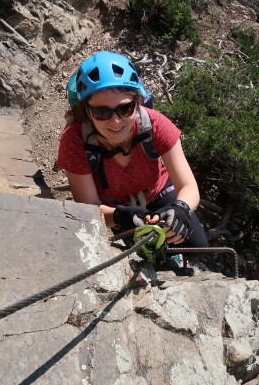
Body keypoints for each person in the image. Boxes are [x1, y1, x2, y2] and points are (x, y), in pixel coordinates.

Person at [56, 51, 209, 250]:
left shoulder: (155, 124)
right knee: (146, 254)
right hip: (113, 207)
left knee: (196, 248)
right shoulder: (75, 140)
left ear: (137, 104)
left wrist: (181, 208)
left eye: (124, 109)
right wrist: (119, 216)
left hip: (158, 192)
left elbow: (188, 186)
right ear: (87, 111)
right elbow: (89, 209)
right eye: (102, 112)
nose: (115, 121)